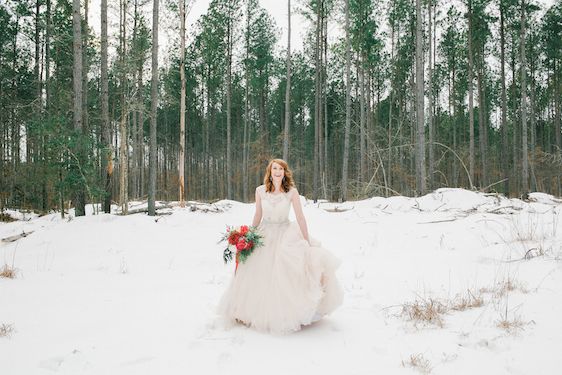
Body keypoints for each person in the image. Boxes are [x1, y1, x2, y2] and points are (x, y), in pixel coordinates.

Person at [218, 158, 343, 334]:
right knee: (257, 271)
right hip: (265, 233)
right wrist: (248, 235)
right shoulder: (260, 191)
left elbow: (300, 217)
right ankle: (249, 311)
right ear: (270, 171)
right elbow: (258, 214)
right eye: (275, 168)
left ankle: (291, 312)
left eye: (281, 169)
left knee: (287, 270)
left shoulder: (291, 192)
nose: (278, 171)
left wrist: (307, 240)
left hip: (286, 233)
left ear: (285, 173)